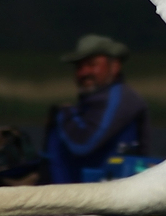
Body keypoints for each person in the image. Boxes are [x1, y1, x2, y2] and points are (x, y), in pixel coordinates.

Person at [42, 34, 150, 184]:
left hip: (103, 197)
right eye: (79, 67)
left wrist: (64, 113)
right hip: (73, 194)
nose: (84, 72)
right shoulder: (95, 100)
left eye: (92, 65)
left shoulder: (118, 98)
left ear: (115, 66)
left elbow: (83, 144)